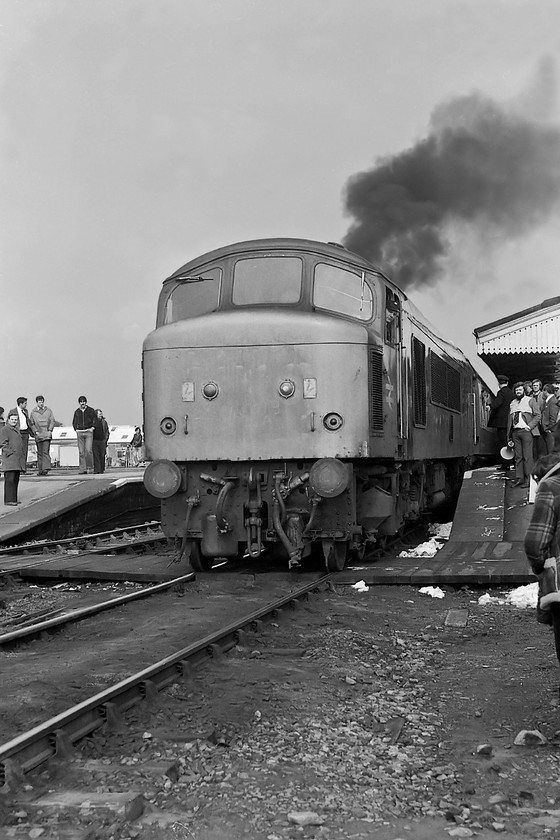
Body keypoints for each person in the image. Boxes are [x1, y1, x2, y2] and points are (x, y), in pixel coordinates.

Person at [506, 381, 541, 488]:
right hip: (515, 432)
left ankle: (528, 479)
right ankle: (519, 479)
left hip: (526, 432)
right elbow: (509, 420)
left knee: (527, 456)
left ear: (524, 391)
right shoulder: (513, 403)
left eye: (520, 390)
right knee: (518, 457)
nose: (518, 391)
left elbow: (538, 415)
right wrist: (509, 435)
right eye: (516, 390)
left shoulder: (530, 401)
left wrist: (529, 426)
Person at [487, 375, 514, 469]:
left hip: (502, 423)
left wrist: (490, 406)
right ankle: (512, 463)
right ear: (507, 383)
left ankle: (505, 464)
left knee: (502, 444)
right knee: (510, 443)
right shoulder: (511, 393)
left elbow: (498, 402)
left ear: (499, 384)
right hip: (510, 422)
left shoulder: (501, 392)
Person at [0, 410, 25, 505]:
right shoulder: (5, 430)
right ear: (8, 419)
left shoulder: (16, 430)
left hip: (17, 460)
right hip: (10, 459)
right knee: (10, 480)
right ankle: (9, 500)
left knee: (15, 480)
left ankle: (13, 499)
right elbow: (3, 443)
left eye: (16, 419)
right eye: (12, 419)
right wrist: (10, 452)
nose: (14, 421)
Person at [30, 395, 55, 476]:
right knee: (39, 452)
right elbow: (31, 423)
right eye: (39, 402)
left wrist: (50, 430)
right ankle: (40, 469)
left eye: (42, 402)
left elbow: (52, 421)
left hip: (47, 434)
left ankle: (45, 468)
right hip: (38, 434)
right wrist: (35, 431)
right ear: (37, 402)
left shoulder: (49, 411)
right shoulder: (33, 412)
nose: (41, 403)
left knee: (45, 451)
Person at [72, 396, 96, 474]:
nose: (82, 403)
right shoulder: (77, 412)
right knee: (81, 452)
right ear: (79, 403)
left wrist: (92, 428)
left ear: (86, 402)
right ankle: (83, 469)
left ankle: (90, 468)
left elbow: (95, 420)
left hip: (88, 432)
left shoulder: (91, 410)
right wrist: (76, 429)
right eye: (81, 402)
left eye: (84, 401)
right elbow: (74, 421)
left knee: (88, 450)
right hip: (80, 432)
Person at [12, 397, 34, 473]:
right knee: (18, 450)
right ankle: (18, 468)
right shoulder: (13, 411)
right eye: (25, 403)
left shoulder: (25, 411)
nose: (26, 405)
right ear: (20, 404)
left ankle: (23, 468)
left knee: (24, 451)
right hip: (18, 432)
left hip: (25, 432)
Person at [531, 379, 547, 459]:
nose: (535, 387)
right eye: (534, 385)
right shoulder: (530, 396)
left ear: (540, 386)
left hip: (541, 420)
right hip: (533, 420)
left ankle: (542, 456)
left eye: (536, 385)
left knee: (542, 440)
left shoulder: (543, 395)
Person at [541, 384, 559, 454]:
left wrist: (550, 429)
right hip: (547, 430)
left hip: (550, 431)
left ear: (545, 391)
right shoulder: (548, 401)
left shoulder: (553, 401)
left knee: (550, 451)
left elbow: (553, 417)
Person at [93, 409, 110, 474]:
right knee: (96, 455)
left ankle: (102, 469)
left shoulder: (104, 422)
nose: (101, 415)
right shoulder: (93, 422)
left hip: (102, 440)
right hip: (95, 440)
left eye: (101, 414)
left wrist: (106, 439)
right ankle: (97, 469)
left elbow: (107, 431)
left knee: (102, 455)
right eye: (99, 414)